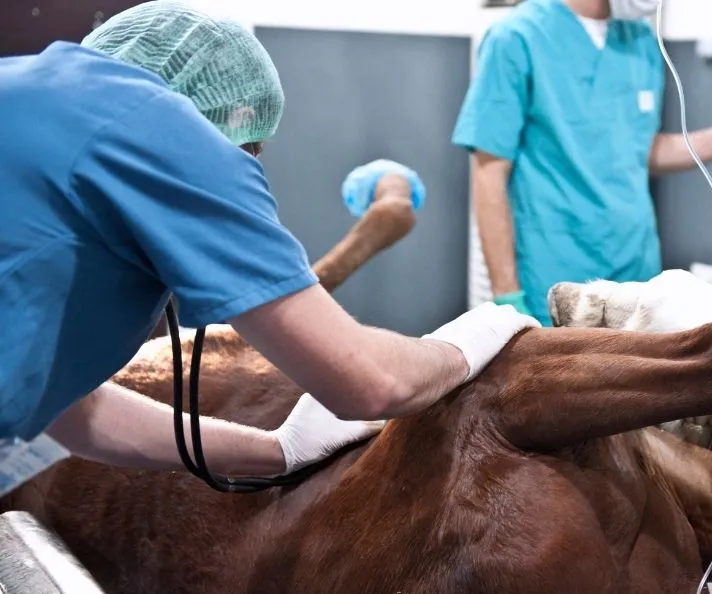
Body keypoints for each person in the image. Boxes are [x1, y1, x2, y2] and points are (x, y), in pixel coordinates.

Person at [0, 1, 538, 487]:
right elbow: (371, 382)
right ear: (234, 120)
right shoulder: (166, 133)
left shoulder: (27, 90)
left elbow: (69, 407)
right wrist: (467, 346)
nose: (250, 162)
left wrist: (279, 452)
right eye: (252, 147)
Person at [452, 0, 712, 324]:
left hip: (636, 270)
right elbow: (489, 172)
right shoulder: (516, 38)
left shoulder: (641, 41)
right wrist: (507, 296)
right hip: (555, 272)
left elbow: (640, 149)